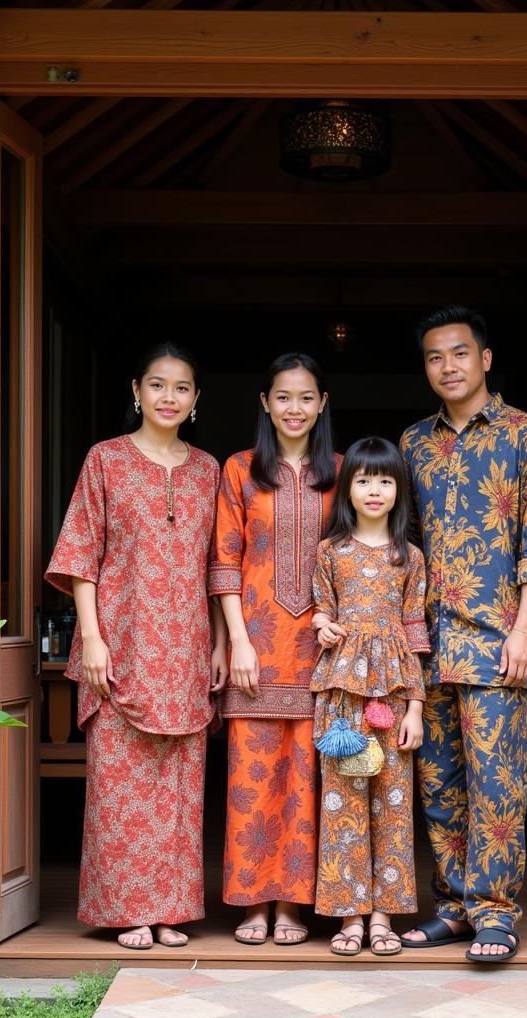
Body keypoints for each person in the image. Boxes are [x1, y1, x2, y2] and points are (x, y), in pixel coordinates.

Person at [399, 306, 527, 963]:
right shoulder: (413, 442)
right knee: (438, 782)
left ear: (486, 359)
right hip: (429, 642)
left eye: (459, 353)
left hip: (499, 637)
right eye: (434, 357)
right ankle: (452, 907)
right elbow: (405, 543)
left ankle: (496, 913)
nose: (447, 366)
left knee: (497, 785)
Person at [45, 342, 227, 951]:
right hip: (119, 647)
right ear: (136, 391)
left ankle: (172, 909)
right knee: (121, 786)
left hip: (187, 650)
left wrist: (222, 642)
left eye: (181, 388)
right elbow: (80, 556)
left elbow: (219, 568)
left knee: (180, 787)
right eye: (157, 385)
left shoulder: (209, 471)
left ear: (196, 399)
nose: (168, 398)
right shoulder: (106, 461)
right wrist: (90, 636)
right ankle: (128, 911)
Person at [209, 353, 339, 946]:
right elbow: (224, 559)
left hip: (320, 648)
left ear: (322, 403)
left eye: (306, 397)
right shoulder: (240, 470)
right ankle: (253, 903)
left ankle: (292, 906)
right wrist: (235, 638)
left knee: (306, 778)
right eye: (283, 397)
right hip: (253, 648)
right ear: (265, 402)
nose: (295, 408)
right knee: (252, 776)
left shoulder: (342, 471)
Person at [310, 436, 429, 957]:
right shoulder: (331, 553)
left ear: (398, 489)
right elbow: (321, 612)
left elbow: (417, 631)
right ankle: (350, 916)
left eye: (384, 480)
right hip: (342, 697)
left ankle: (384, 916)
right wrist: (321, 625)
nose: (374, 490)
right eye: (363, 480)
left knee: (393, 806)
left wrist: (418, 709)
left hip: (395, 696)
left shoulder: (411, 557)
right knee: (343, 803)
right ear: (348, 489)